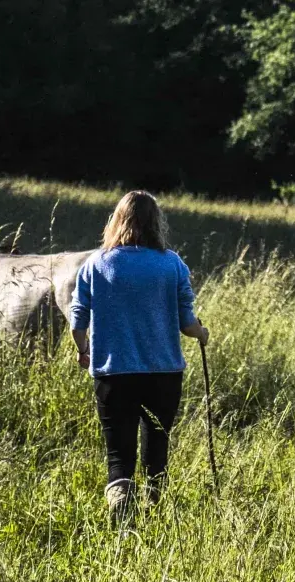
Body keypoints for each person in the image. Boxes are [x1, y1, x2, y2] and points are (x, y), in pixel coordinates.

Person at [69, 190, 209, 525]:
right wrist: (202, 334)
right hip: (163, 374)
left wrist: (83, 350)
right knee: (157, 439)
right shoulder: (171, 264)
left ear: (117, 221)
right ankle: (154, 506)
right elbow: (187, 323)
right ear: (155, 223)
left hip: (113, 373)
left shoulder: (96, 263)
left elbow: (78, 320)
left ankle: (120, 503)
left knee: (118, 449)